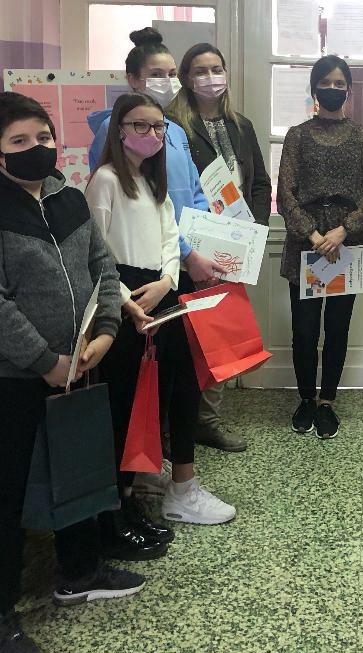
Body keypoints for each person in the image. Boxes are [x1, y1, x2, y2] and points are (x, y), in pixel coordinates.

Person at [0, 92, 144, 653]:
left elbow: (103, 268)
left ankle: (80, 571)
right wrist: (44, 361)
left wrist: (107, 331)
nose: (37, 148)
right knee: (4, 494)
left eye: (43, 137)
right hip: (9, 377)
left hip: (79, 362)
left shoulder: (68, 198)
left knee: (78, 470)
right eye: (19, 141)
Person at [86, 92, 238, 534]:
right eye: (140, 125)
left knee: (173, 388)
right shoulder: (106, 181)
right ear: (118, 131)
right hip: (126, 299)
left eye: (158, 127)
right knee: (127, 401)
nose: (151, 134)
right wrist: (126, 300)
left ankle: (166, 491)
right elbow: (95, 253)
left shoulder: (154, 184)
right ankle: (120, 505)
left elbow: (171, 237)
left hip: (161, 293)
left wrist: (169, 280)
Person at [88, 29, 242, 453]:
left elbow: (190, 196)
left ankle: (174, 451)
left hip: (174, 267)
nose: (168, 81)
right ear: (133, 78)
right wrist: (187, 258)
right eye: (158, 73)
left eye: (173, 73)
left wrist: (202, 248)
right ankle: (145, 461)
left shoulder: (174, 131)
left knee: (183, 367)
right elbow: (101, 240)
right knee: (139, 377)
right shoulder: (110, 148)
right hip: (137, 279)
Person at [166, 42, 273, 452]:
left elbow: (260, 182)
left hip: (234, 244)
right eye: (200, 70)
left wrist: (255, 230)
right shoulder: (173, 125)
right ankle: (173, 426)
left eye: (216, 69)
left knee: (221, 335)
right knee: (186, 338)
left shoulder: (240, 125)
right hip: (191, 246)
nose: (210, 77)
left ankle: (207, 422)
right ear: (186, 78)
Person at [276, 55, 363, 439]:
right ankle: (305, 398)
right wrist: (313, 234)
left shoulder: (362, 137)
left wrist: (343, 230)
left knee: (337, 328)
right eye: (325, 83)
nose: (332, 89)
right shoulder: (297, 136)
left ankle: (327, 401)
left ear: (348, 89)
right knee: (304, 330)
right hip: (306, 244)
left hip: (347, 244)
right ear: (314, 88)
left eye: (339, 83)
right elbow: (285, 193)